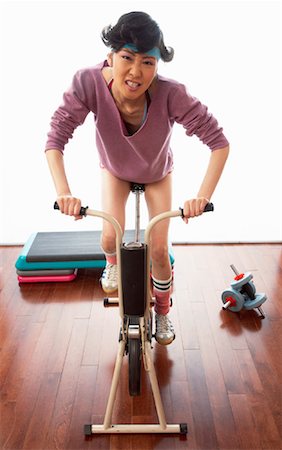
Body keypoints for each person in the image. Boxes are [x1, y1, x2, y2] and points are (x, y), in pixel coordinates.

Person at [45, 11, 229, 345]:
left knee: (158, 249)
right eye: (127, 58)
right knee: (107, 238)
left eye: (148, 62)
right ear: (110, 56)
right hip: (115, 170)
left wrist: (201, 196)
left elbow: (219, 144)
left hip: (157, 173)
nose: (136, 71)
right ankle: (111, 263)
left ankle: (162, 312)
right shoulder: (88, 83)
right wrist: (64, 193)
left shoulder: (172, 94)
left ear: (158, 65)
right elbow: (56, 138)